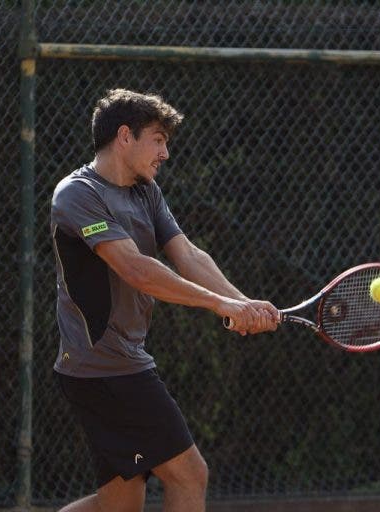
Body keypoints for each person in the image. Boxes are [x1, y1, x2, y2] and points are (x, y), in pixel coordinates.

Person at [51, 89, 280, 512]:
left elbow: (187, 254)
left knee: (120, 503)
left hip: (111, 363)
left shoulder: (145, 192)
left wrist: (243, 302)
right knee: (190, 474)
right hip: (103, 366)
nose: (165, 153)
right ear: (125, 136)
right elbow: (137, 269)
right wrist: (220, 305)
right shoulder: (77, 195)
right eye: (158, 139)